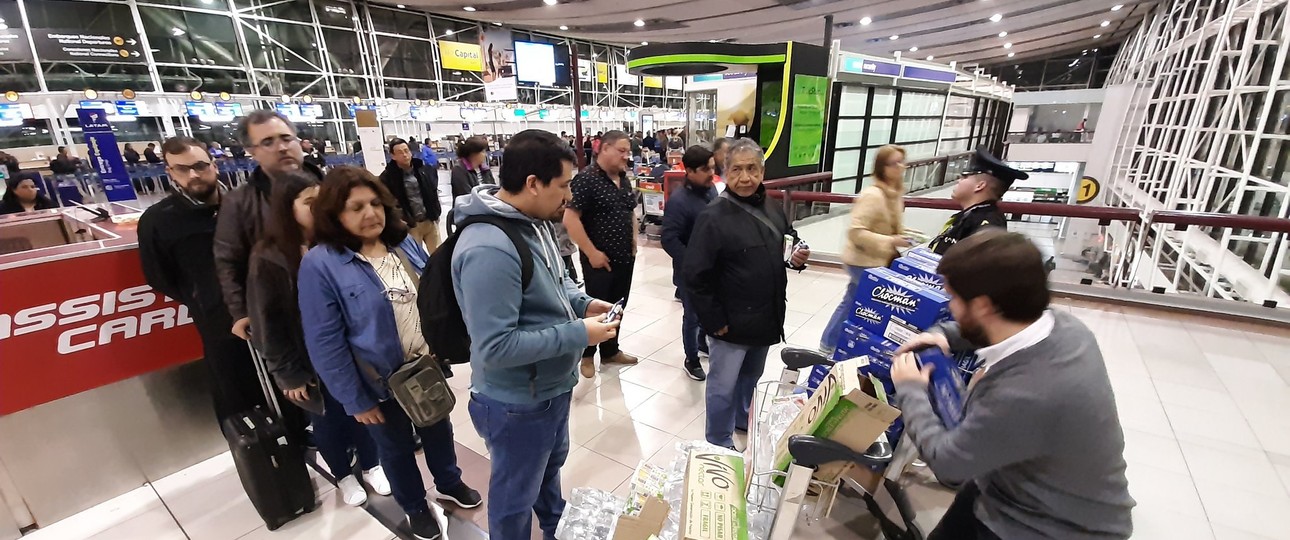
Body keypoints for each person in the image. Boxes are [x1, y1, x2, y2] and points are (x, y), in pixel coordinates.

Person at [891, 230, 1135, 539]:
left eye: (953, 298)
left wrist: (911, 389)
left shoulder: (1025, 393)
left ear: (981, 307)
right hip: (1011, 487)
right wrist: (948, 336)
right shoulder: (1066, 328)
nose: (950, 307)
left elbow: (949, 465)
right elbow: (1002, 325)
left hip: (1046, 526)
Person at [452, 129, 618, 539]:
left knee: (547, 469)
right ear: (532, 184)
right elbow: (496, 347)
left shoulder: (533, 222)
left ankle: (554, 528)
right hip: (516, 403)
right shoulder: (488, 248)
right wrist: (579, 333)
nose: (568, 197)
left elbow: (556, 283)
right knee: (514, 495)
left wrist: (582, 304)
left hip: (549, 388)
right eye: (562, 186)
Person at [299, 166, 481, 539]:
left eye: (375, 203)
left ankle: (448, 481)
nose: (370, 214)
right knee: (395, 448)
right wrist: (354, 399)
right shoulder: (322, 264)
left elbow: (432, 296)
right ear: (334, 214)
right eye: (356, 207)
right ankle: (414, 506)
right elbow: (325, 341)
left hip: (424, 369)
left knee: (438, 429)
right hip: (378, 382)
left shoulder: (402, 243)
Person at [246, 170, 387, 507]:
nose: (318, 208)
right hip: (308, 361)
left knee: (366, 413)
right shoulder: (269, 257)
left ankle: (372, 464)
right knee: (329, 423)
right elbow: (269, 324)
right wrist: (287, 372)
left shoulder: (340, 243)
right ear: (286, 209)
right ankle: (343, 474)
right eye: (310, 202)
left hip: (353, 353)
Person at [683, 139, 810, 450]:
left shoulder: (772, 207)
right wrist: (715, 322)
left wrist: (794, 257)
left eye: (751, 169)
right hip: (729, 323)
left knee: (751, 378)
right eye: (736, 170)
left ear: (762, 171)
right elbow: (695, 275)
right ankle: (718, 440)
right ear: (725, 174)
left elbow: (786, 241)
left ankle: (743, 419)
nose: (745, 177)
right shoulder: (713, 216)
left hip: (765, 317)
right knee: (722, 386)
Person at [138, 137, 266, 422]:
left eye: (199, 166)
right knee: (236, 396)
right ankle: (258, 456)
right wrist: (203, 297)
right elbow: (159, 276)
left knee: (289, 388)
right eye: (182, 169)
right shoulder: (158, 221)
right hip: (218, 324)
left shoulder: (247, 205)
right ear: (170, 173)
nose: (193, 175)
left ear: (215, 165)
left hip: (270, 313)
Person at [214, 109, 324, 342]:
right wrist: (240, 312)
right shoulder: (240, 202)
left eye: (286, 138)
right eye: (268, 142)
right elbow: (228, 261)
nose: (282, 148)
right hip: (285, 317)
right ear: (252, 152)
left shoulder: (331, 187)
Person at [819, 145, 910, 355]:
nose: (900, 167)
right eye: (893, 163)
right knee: (855, 302)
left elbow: (890, 225)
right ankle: (829, 344)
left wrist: (902, 236)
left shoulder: (894, 193)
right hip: (863, 261)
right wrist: (891, 240)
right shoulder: (873, 195)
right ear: (882, 167)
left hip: (878, 259)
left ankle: (832, 344)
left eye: (901, 162)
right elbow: (856, 232)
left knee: (853, 301)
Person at [564, 130, 640, 378]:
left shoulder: (623, 178)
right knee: (595, 307)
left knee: (618, 305)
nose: (625, 156)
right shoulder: (586, 179)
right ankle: (587, 355)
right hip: (599, 260)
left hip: (624, 257)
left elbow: (630, 211)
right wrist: (591, 252)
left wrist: (634, 239)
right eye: (621, 150)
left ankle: (610, 351)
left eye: (627, 151)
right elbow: (570, 218)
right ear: (603, 148)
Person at [662, 145, 718, 381]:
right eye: (706, 169)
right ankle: (691, 359)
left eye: (713, 168)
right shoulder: (679, 200)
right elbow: (669, 239)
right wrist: (693, 262)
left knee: (708, 310)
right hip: (691, 272)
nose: (711, 174)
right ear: (690, 170)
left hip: (712, 268)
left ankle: (702, 344)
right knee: (692, 316)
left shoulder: (711, 189)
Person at [927, 148, 1027, 254]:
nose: (958, 180)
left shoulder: (988, 227)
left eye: (964, 177)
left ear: (980, 186)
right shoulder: (969, 215)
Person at [380, 138, 443, 252]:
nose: (404, 155)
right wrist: (400, 220)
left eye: (406, 150)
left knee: (439, 256)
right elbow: (387, 202)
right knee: (415, 261)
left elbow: (433, 191)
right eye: (400, 152)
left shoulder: (423, 169)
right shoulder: (388, 177)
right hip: (410, 226)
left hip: (429, 220)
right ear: (393, 156)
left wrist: (436, 211)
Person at [449, 136, 495, 201]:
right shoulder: (459, 170)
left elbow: (493, 188)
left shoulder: (485, 169)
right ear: (473, 153)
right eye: (482, 152)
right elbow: (465, 195)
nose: (485, 155)